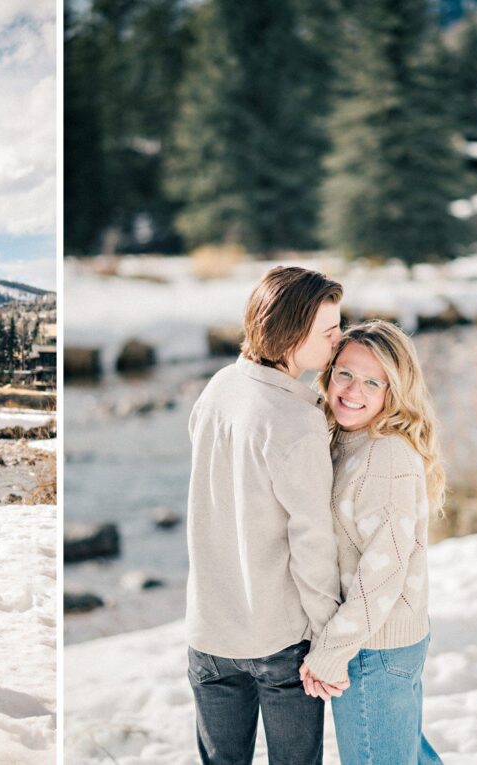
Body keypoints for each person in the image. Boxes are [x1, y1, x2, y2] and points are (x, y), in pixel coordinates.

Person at [186, 266, 348, 765]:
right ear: (293, 336)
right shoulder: (297, 422)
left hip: (208, 633)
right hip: (278, 641)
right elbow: (312, 542)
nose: (340, 340)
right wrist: (329, 639)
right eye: (329, 331)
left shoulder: (217, 388)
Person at [300, 321, 445, 764]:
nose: (352, 389)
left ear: (393, 391)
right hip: (382, 643)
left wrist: (331, 651)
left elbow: (383, 572)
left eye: (371, 381)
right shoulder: (347, 440)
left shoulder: (384, 456)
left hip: (373, 652)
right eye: (344, 373)